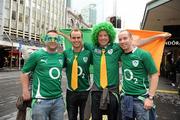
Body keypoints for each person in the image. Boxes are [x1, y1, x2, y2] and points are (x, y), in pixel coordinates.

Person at [20, 30, 65, 120]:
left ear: (59, 40)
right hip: (40, 101)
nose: (53, 41)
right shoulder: (37, 55)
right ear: (45, 40)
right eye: (49, 38)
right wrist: (25, 91)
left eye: (55, 39)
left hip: (58, 101)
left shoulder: (61, 56)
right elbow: (24, 72)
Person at [118, 30, 159, 120]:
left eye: (125, 38)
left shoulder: (143, 54)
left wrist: (150, 98)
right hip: (125, 98)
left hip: (141, 99)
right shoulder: (121, 55)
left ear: (131, 39)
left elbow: (154, 75)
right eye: (120, 39)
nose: (122, 41)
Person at [63, 28, 92, 120]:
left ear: (82, 39)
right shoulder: (66, 53)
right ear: (70, 39)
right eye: (74, 38)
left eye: (78, 37)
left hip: (85, 91)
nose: (76, 40)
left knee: (85, 118)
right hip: (71, 91)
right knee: (71, 117)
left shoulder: (88, 53)